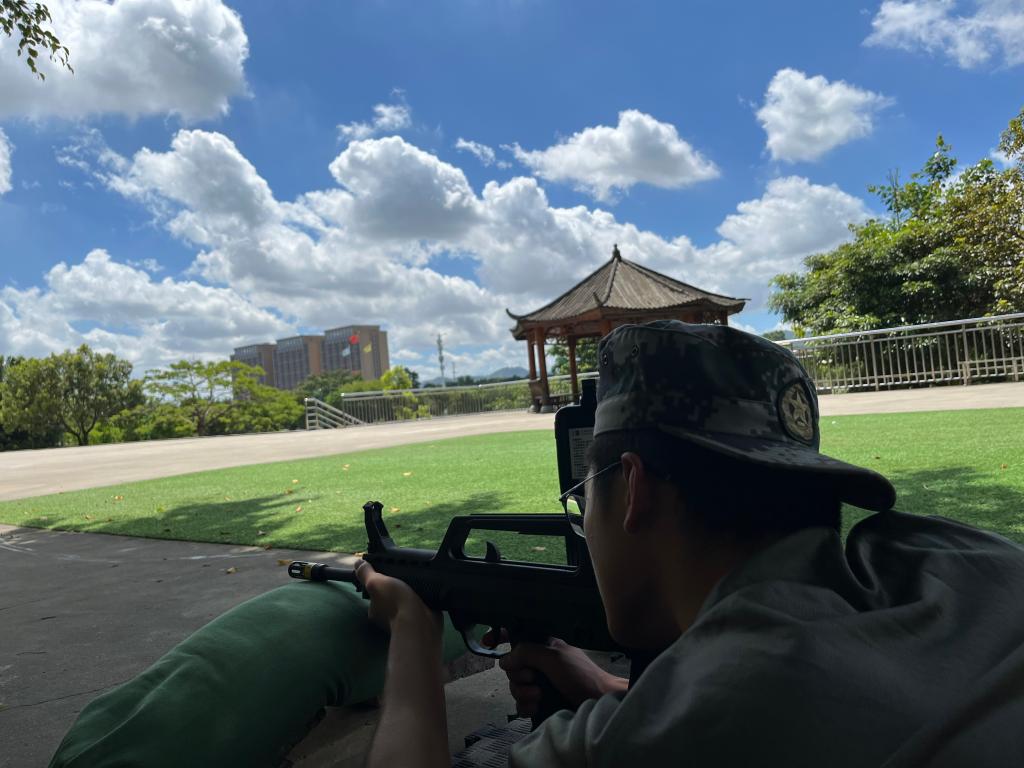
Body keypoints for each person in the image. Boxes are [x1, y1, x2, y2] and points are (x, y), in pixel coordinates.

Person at [356, 320, 1024, 767]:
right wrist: (611, 688)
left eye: (583, 498)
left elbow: (731, 700)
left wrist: (412, 629)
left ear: (634, 489)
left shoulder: (719, 699)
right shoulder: (953, 557)